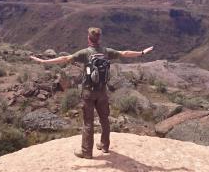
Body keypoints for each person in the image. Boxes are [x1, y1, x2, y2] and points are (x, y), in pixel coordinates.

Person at [30, 27, 153, 159]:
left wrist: (43, 61)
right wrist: (142, 52)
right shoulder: (106, 52)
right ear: (99, 38)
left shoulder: (85, 53)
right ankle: (104, 146)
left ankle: (86, 152)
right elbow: (125, 53)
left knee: (88, 122)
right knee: (104, 119)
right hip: (102, 92)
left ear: (89, 38)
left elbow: (65, 58)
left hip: (88, 92)